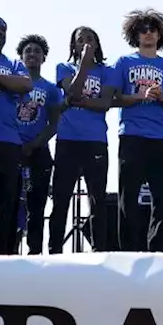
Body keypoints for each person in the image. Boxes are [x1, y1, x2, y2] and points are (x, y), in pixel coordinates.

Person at [105, 9, 163, 253]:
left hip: (160, 138)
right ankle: (129, 251)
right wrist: (140, 96)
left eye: (152, 29)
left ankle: (159, 250)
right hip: (132, 136)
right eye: (143, 30)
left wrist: (161, 99)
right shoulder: (124, 63)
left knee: (162, 198)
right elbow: (113, 99)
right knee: (129, 198)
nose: (148, 34)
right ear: (135, 35)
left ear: (160, 35)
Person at [49, 27, 112, 253]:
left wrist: (78, 102)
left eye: (90, 39)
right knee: (61, 197)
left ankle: (99, 249)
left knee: (97, 198)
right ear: (73, 45)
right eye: (80, 40)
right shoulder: (63, 68)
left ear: (97, 43)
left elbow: (104, 103)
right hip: (67, 140)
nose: (85, 43)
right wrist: (83, 65)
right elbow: (72, 92)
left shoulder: (107, 71)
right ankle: (55, 249)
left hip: (95, 141)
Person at [0, 17, 34, 255]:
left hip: (8, 141)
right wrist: (7, 84)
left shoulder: (12, 62)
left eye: (4, 30)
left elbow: (25, 85)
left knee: (6, 204)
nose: (0, 33)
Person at [11, 34, 63, 255]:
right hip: (11, 148)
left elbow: (54, 123)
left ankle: (35, 251)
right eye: (28, 51)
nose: (32, 54)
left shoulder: (50, 89)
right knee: (10, 201)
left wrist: (35, 144)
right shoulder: (11, 83)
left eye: (37, 51)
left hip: (38, 150)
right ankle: (8, 250)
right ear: (21, 56)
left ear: (44, 58)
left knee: (37, 203)